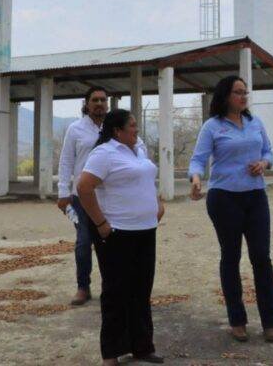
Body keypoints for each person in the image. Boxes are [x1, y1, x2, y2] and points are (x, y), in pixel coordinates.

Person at [188, 75, 273, 343]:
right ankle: (237, 320)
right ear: (226, 95)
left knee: (262, 257)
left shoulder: (255, 123)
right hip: (224, 199)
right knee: (231, 257)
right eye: (238, 92)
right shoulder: (212, 126)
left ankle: (270, 322)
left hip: (255, 197)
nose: (243, 97)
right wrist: (195, 179)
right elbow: (198, 160)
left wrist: (264, 164)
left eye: (245, 92)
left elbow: (269, 153)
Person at [77, 108, 165, 365]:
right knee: (116, 292)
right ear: (118, 131)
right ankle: (111, 353)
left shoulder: (138, 150)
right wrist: (101, 223)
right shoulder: (104, 153)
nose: (137, 129)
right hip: (118, 233)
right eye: (133, 126)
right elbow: (84, 187)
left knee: (141, 290)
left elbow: (147, 179)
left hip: (145, 231)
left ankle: (142, 347)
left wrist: (158, 203)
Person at [56, 86, 109, 306]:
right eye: (95, 100)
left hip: (108, 195)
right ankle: (83, 287)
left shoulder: (114, 128)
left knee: (110, 244)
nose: (99, 103)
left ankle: (111, 287)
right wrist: (63, 192)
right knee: (84, 242)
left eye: (103, 100)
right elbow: (66, 161)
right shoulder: (75, 129)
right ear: (86, 104)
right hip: (82, 196)